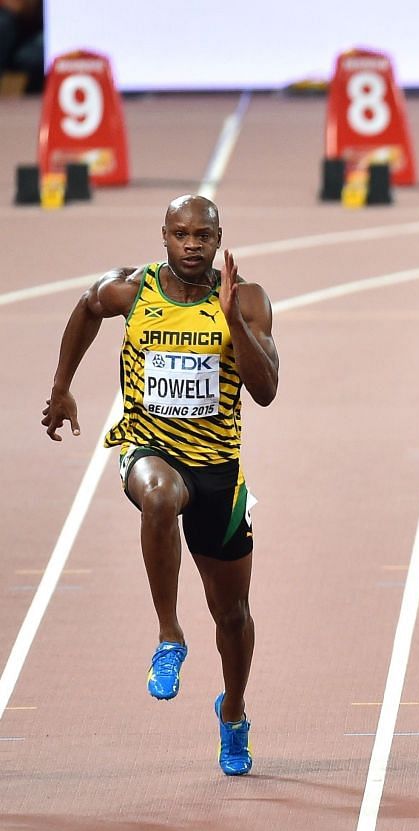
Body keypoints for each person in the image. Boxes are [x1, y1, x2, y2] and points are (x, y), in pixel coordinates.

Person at [41, 195, 279, 775]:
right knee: (160, 496)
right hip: (149, 448)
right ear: (164, 236)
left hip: (219, 468)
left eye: (203, 235)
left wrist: (230, 323)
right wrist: (63, 386)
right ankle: (169, 636)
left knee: (234, 618)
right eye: (180, 234)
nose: (192, 245)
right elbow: (86, 306)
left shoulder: (247, 299)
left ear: (220, 238)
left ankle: (234, 713)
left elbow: (267, 389)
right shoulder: (133, 289)